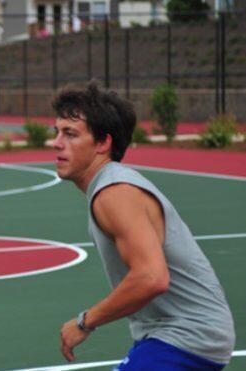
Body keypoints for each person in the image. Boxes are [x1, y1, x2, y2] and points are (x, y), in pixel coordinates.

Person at [54, 82, 235, 370]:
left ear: (103, 143)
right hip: (179, 335)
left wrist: (85, 322)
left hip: (186, 336)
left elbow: (152, 277)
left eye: (70, 134)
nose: (57, 142)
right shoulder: (111, 187)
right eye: (57, 132)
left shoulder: (114, 193)